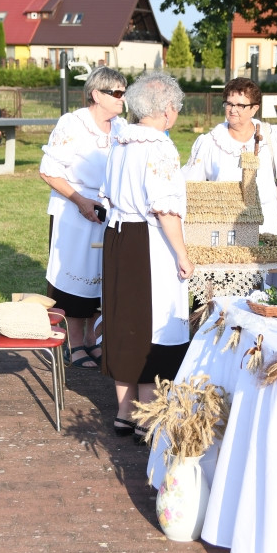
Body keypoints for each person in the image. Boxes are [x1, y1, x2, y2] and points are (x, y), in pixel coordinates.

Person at [100, 73, 192, 441]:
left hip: (116, 236)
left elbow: (106, 195)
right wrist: (183, 254)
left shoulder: (119, 142)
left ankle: (125, 410)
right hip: (148, 242)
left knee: (124, 322)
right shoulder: (159, 147)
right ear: (167, 109)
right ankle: (147, 415)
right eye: (177, 108)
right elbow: (165, 209)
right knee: (152, 325)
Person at [39, 67, 127, 370]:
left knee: (101, 279)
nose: (122, 99)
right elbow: (49, 171)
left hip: (108, 211)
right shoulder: (72, 124)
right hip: (74, 211)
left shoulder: (121, 127)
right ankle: (74, 344)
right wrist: (80, 201)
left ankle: (92, 339)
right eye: (116, 93)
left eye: (123, 92)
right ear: (96, 94)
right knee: (74, 279)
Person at [182, 77, 277, 237]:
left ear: (254, 108)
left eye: (240, 105)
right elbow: (190, 183)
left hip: (266, 222)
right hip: (223, 223)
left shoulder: (270, 136)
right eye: (229, 103)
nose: (232, 110)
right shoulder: (210, 141)